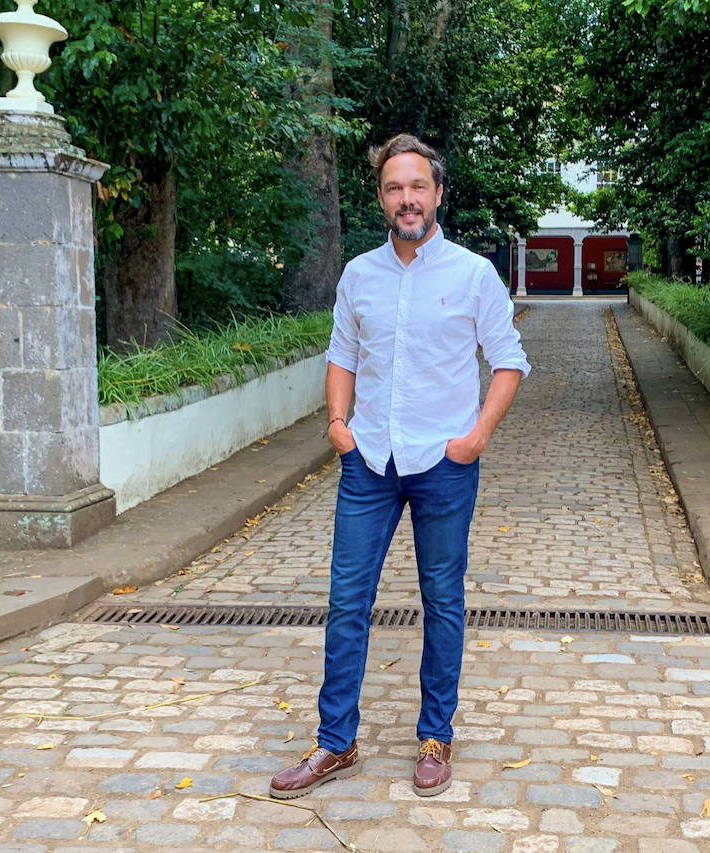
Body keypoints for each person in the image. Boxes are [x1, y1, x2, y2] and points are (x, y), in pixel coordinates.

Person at [268, 134, 530, 799]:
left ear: (438, 193)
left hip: (444, 463)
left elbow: (509, 361)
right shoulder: (359, 274)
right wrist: (336, 423)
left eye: (417, 186)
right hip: (369, 463)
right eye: (394, 188)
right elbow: (342, 352)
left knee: (443, 599)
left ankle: (436, 737)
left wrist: (475, 437)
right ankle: (336, 741)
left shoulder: (473, 274)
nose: (406, 198)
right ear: (381, 197)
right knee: (345, 599)